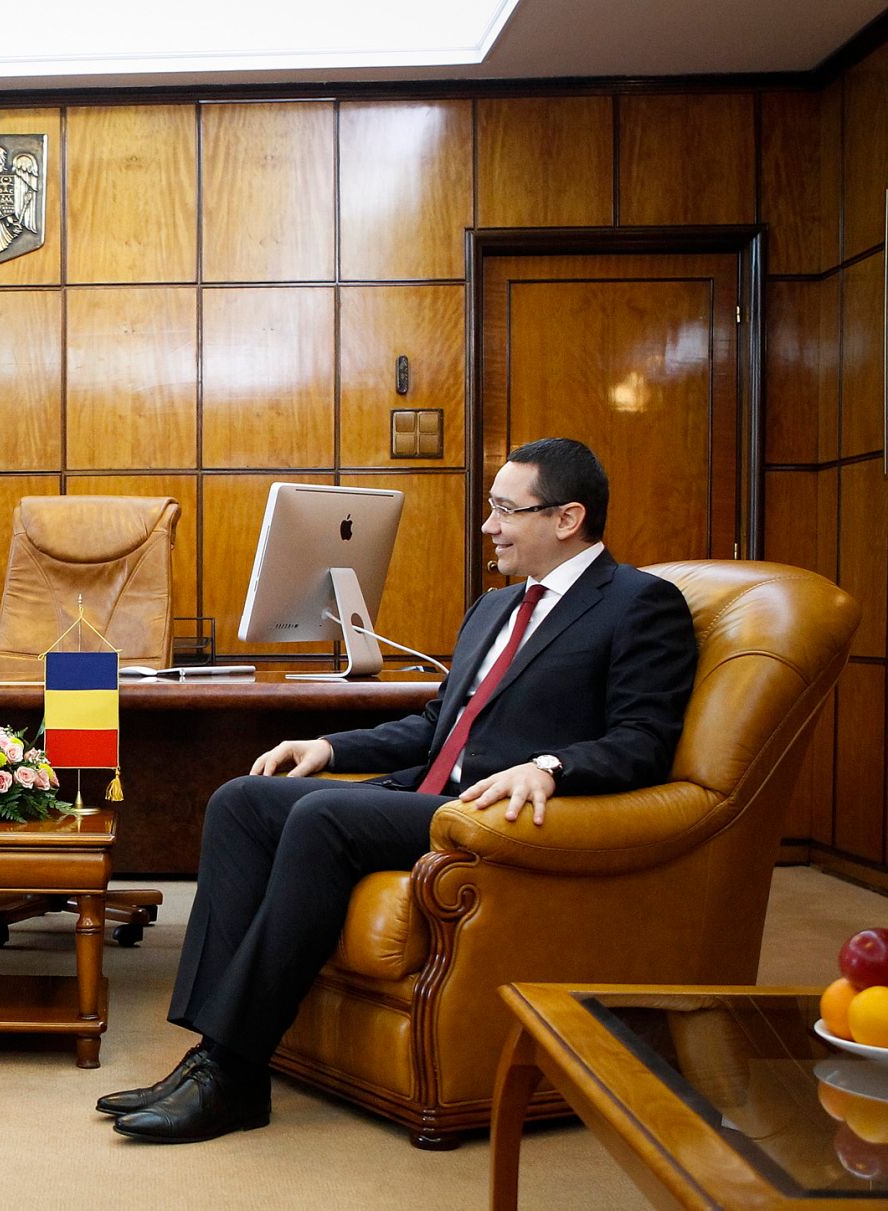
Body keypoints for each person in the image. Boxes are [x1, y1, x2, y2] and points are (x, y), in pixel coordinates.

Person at [101, 437, 697, 1144]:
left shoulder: (639, 603)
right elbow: (435, 723)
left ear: (568, 517)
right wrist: (328, 746)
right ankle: (209, 1054)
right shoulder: (495, 608)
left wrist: (551, 766)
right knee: (242, 797)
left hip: (487, 816)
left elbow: (644, 737)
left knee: (324, 817)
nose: (490, 525)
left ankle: (231, 1070)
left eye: (506, 509)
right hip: (426, 794)